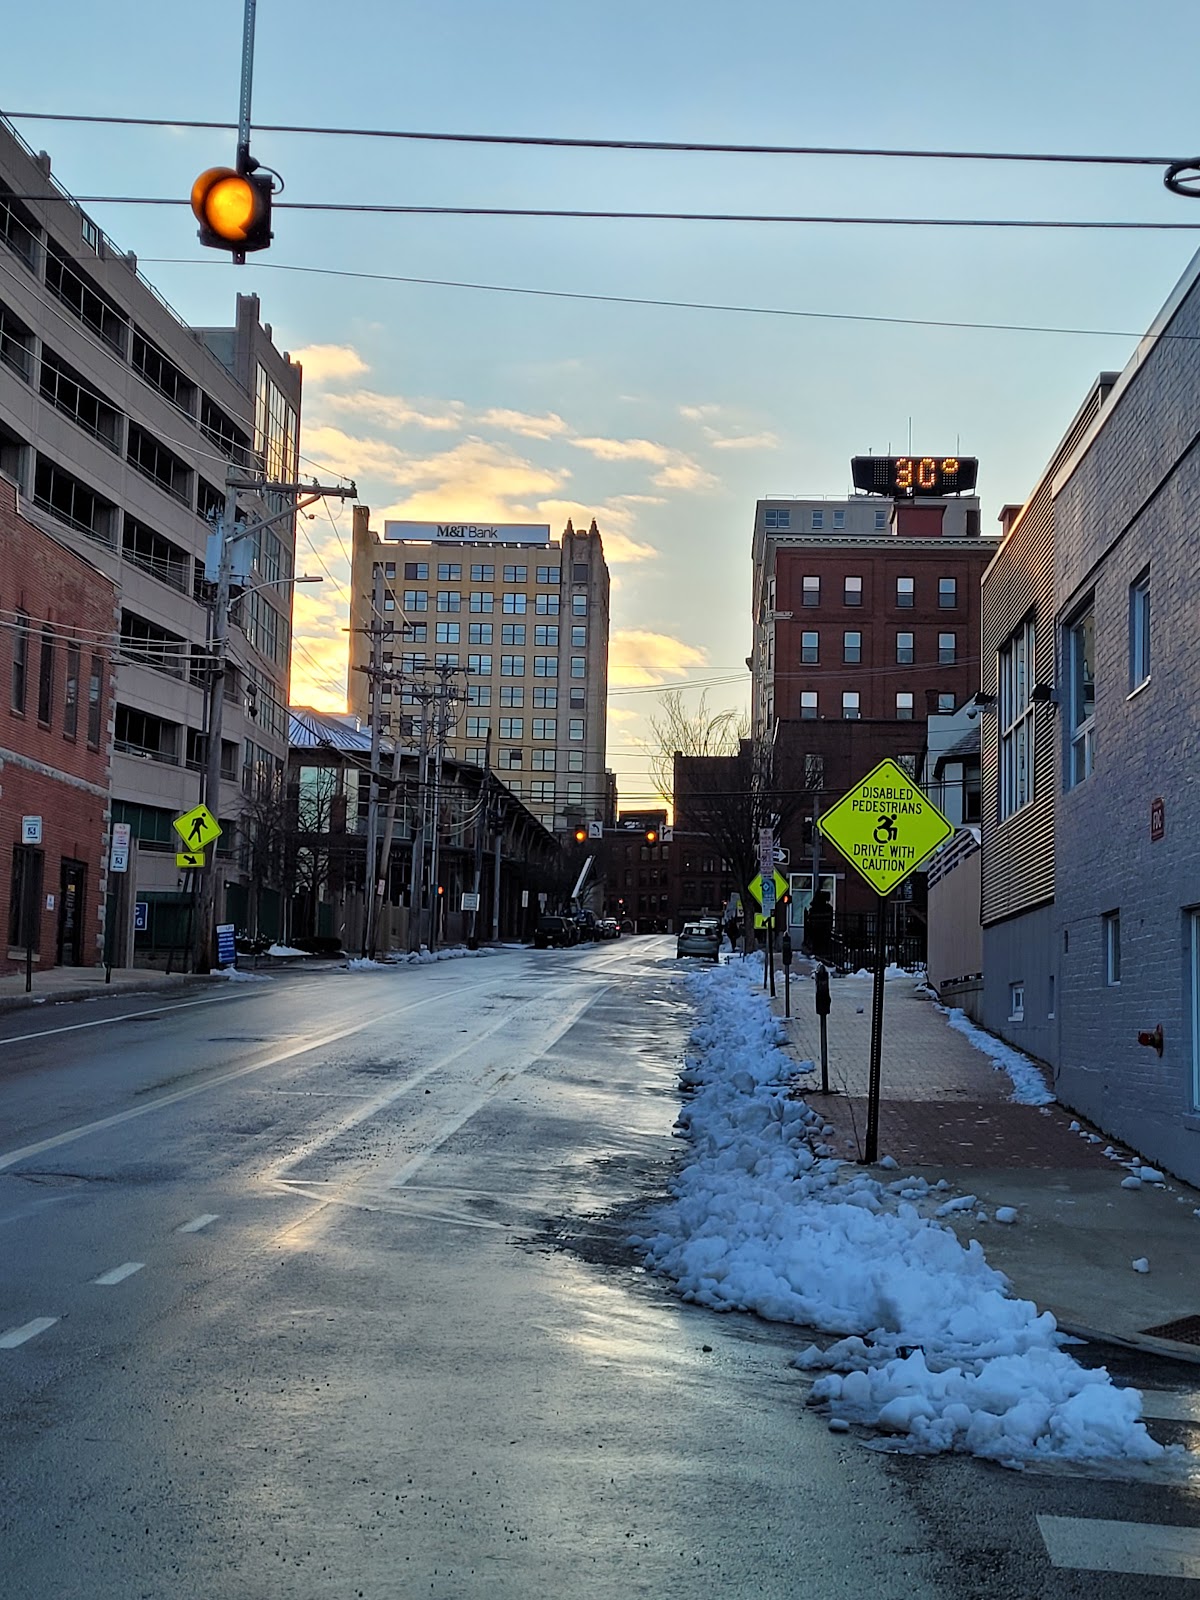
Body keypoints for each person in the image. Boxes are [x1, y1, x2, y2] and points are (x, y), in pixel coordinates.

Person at [804, 889, 834, 962]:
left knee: (818, 945)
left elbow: (810, 921)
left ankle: (818, 955)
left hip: (816, 931)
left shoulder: (814, 908)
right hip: (822, 931)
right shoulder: (828, 908)